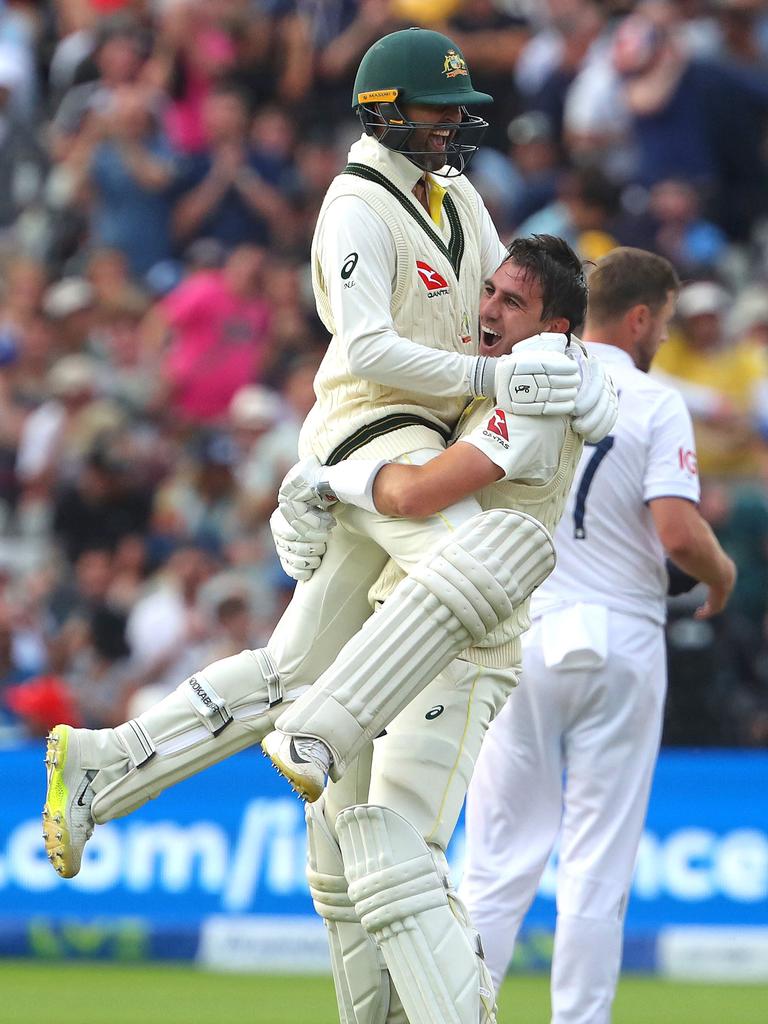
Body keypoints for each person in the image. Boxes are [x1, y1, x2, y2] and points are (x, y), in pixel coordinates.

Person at [459, 247, 736, 1024]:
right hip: (621, 634)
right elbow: (678, 533)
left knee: (495, 861)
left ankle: (447, 1011)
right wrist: (722, 577)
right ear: (642, 316)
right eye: (666, 322)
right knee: (596, 863)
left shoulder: (526, 380)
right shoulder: (654, 399)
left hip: (523, 625)